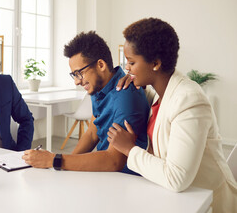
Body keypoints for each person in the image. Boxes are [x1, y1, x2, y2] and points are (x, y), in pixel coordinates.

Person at [109, 18, 237, 211]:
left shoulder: (189, 99)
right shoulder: (158, 93)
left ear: (156, 63)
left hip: (210, 202)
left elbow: (177, 178)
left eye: (132, 62)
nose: (127, 68)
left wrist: (130, 149)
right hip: (179, 200)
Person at [22, 31, 149, 173]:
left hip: (124, 177)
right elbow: (92, 133)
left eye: (79, 73)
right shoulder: (99, 87)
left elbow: (114, 161)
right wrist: (63, 168)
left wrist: (53, 159)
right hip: (106, 172)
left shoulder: (125, 96)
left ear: (101, 65)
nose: (77, 81)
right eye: (74, 75)